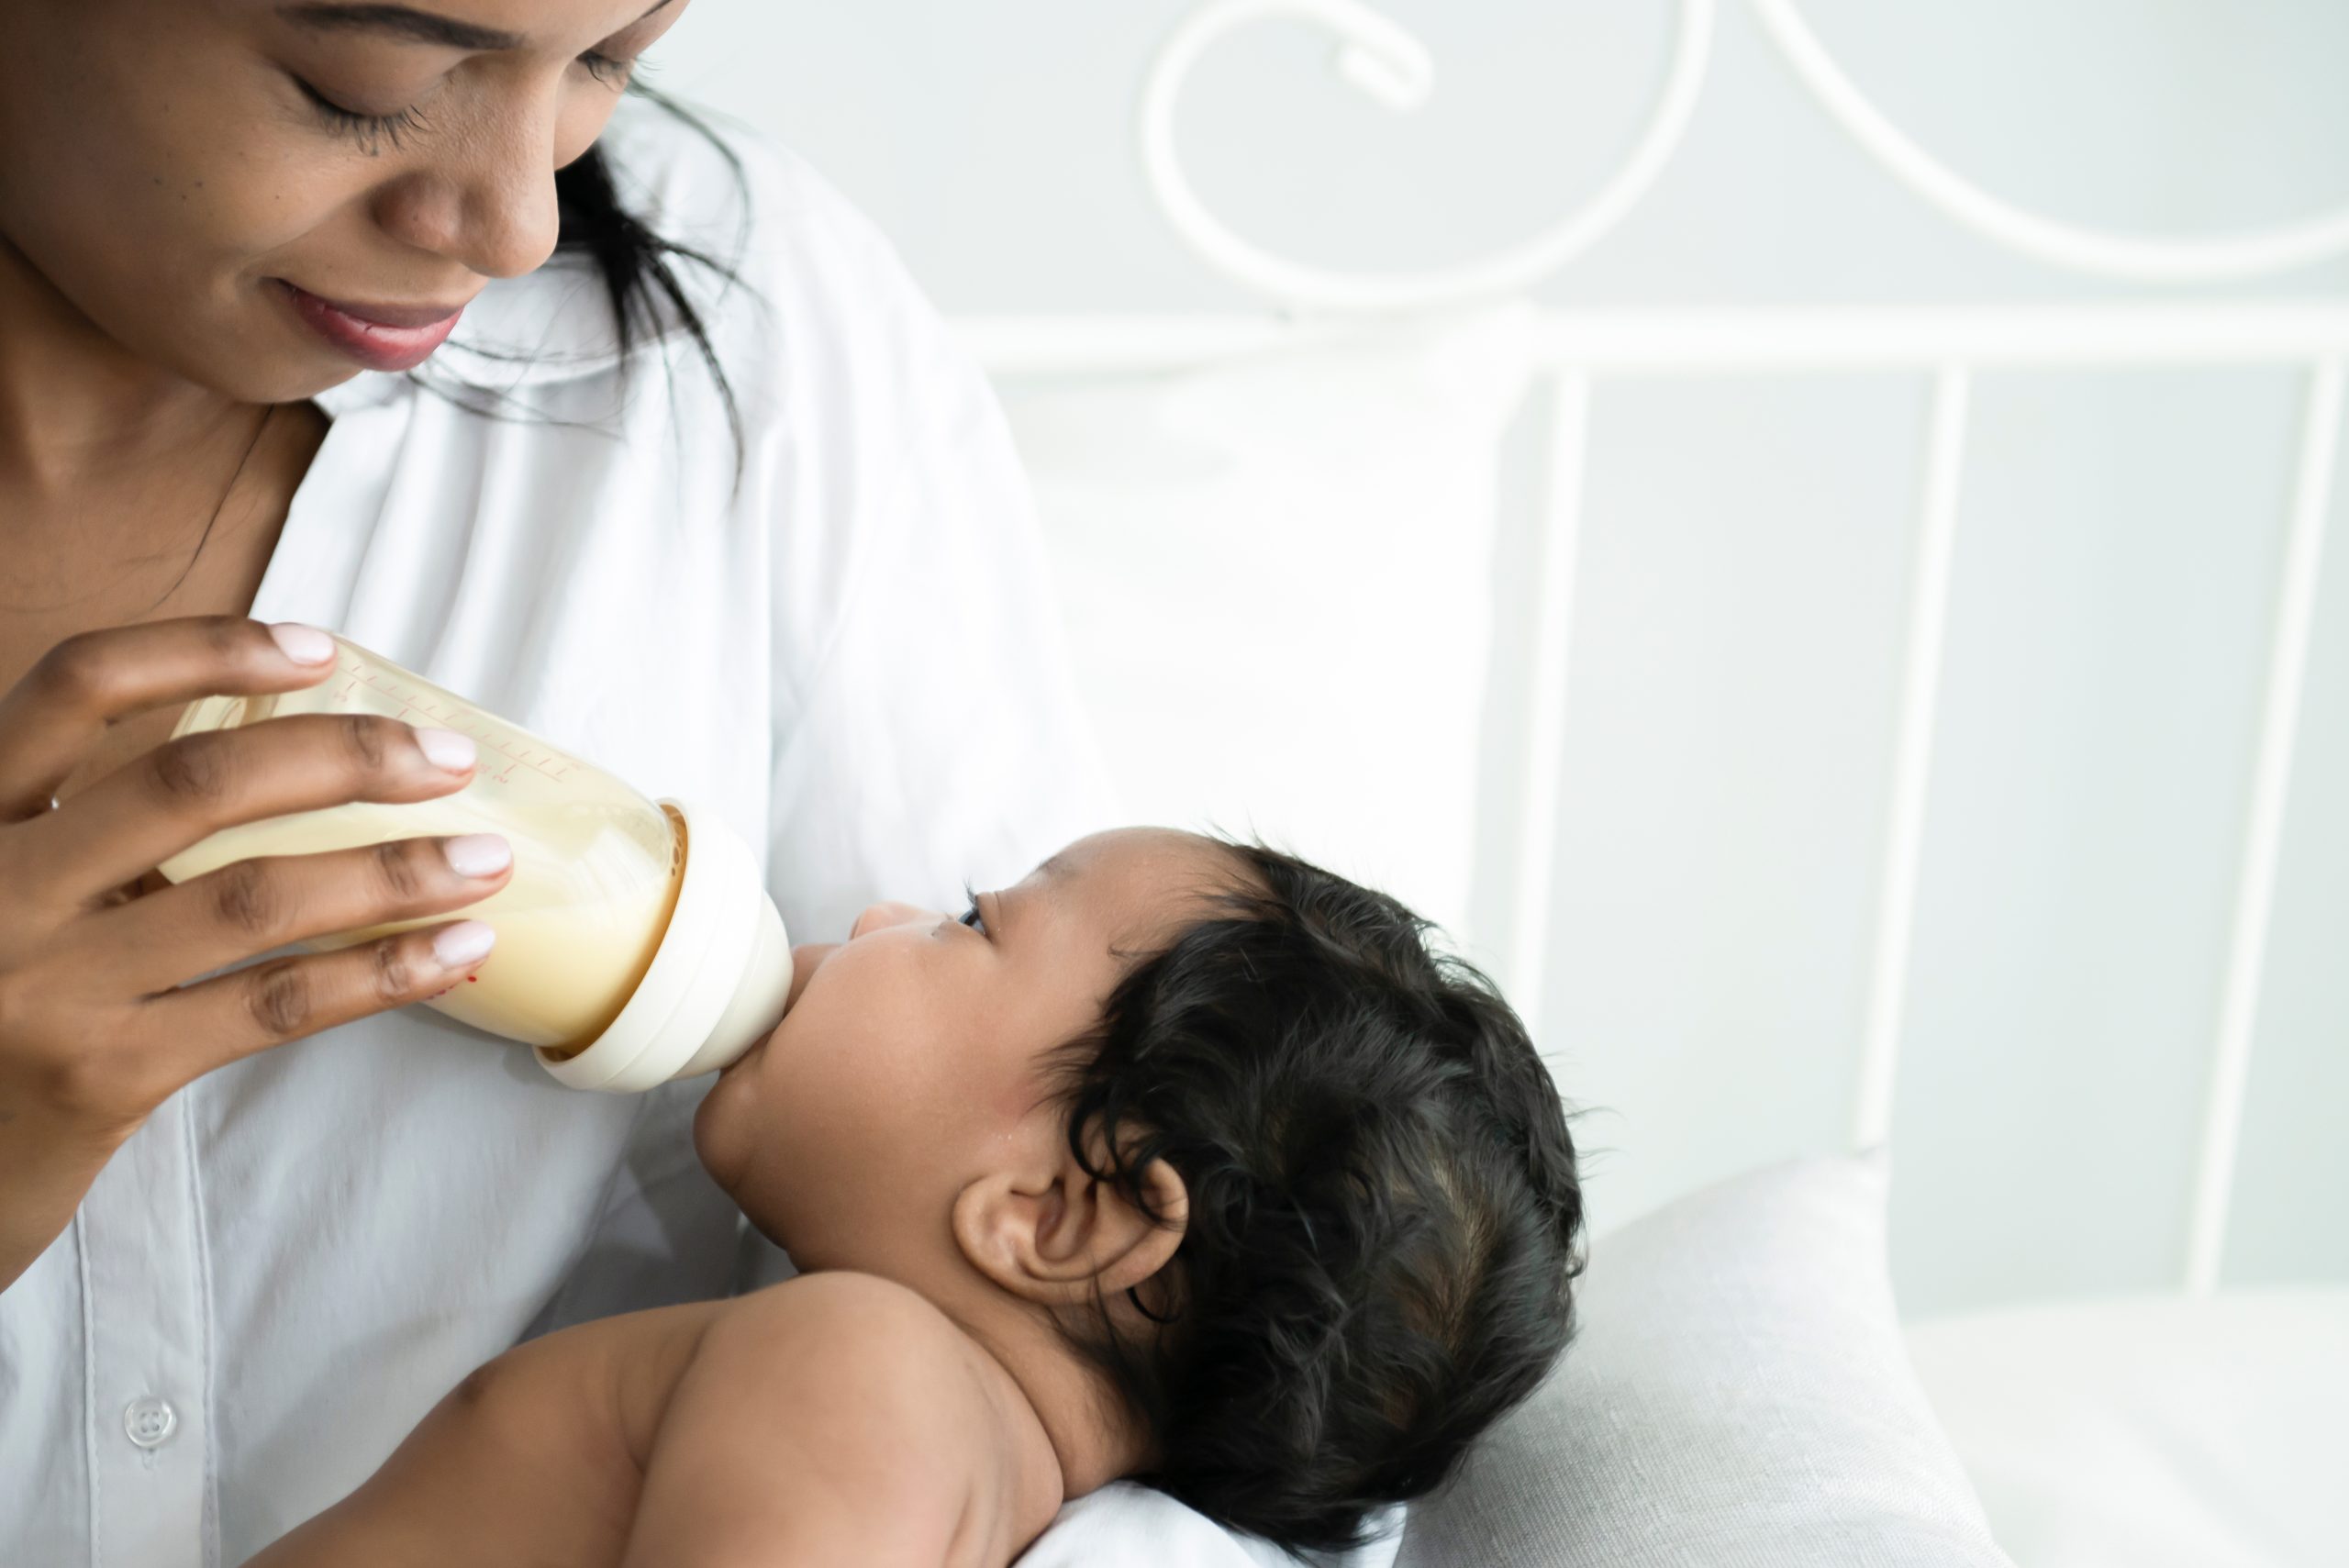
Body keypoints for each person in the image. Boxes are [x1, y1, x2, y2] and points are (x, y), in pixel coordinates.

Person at [0, 3, 1114, 1563]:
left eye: (611, 59)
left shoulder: (734, 320)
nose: (517, 224)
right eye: (361, 84)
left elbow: (1109, 1358)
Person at [243, 828, 1586, 1565]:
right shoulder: (957, 1462)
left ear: (1060, 1213)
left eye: (969, 924)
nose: (879, 910)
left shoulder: (861, 1372)